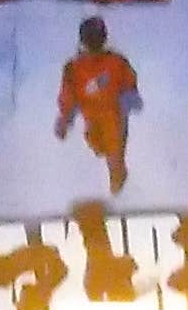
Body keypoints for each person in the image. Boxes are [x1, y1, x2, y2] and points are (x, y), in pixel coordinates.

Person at [53, 18, 140, 186]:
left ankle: (119, 184)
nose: (94, 47)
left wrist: (130, 97)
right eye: (90, 41)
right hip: (92, 118)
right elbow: (68, 94)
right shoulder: (74, 68)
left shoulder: (116, 62)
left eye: (97, 40)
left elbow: (129, 80)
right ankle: (114, 166)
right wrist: (64, 119)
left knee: (114, 150)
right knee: (98, 145)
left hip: (114, 114)